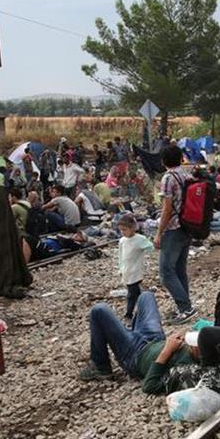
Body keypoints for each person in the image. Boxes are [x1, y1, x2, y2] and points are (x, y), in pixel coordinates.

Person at [78, 293, 194, 393]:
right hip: (155, 338)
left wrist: (167, 350)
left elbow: (150, 385)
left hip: (135, 354)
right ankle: (132, 331)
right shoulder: (202, 351)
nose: (192, 345)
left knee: (99, 310)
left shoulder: (189, 369)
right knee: (146, 296)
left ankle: (100, 367)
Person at [156, 145, 196, 324]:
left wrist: (159, 232)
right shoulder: (186, 174)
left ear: (163, 160)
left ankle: (185, 308)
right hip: (188, 225)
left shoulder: (168, 178)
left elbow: (167, 209)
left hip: (173, 228)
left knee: (165, 271)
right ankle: (185, 307)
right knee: (179, 268)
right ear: (180, 158)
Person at [117, 214, 153, 321]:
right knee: (136, 292)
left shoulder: (139, 239)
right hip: (126, 271)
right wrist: (120, 269)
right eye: (121, 230)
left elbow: (150, 247)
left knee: (131, 294)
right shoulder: (122, 241)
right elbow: (120, 256)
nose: (123, 232)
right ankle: (146, 308)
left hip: (135, 271)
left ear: (132, 228)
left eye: (125, 229)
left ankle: (129, 313)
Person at [9, 187, 34, 263]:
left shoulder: (14, 207)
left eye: (9, 197)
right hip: (30, 228)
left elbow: (8, 221)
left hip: (22, 231)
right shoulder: (26, 203)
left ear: (13, 197)